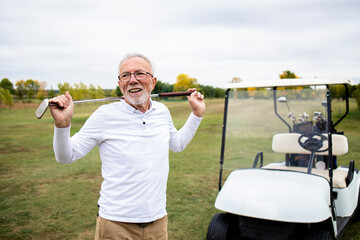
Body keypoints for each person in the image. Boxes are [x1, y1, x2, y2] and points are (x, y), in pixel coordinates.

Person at [49, 53, 205, 240]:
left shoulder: (162, 112)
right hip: (116, 226)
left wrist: (196, 114)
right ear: (119, 83)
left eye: (139, 73)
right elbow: (66, 156)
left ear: (153, 81)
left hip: (158, 223)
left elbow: (178, 145)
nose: (132, 80)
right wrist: (62, 125)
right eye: (125, 75)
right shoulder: (104, 115)